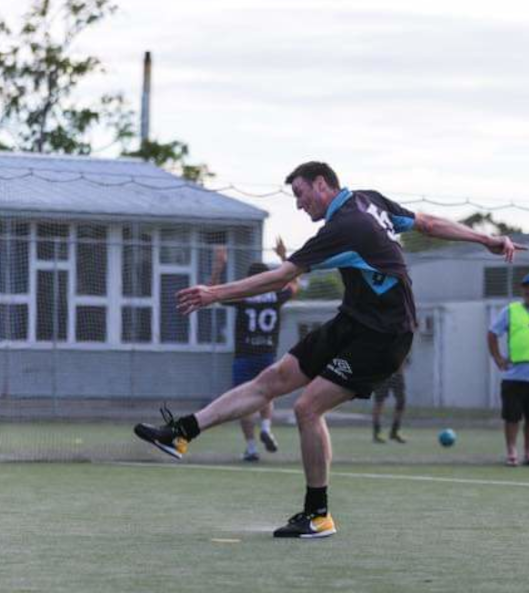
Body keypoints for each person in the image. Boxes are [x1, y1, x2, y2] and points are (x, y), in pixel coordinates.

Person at [135, 161, 522, 538]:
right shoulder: (370, 201)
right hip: (353, 320)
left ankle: (318, 516)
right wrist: (485, 239)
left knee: (307, 407)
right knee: (271, 380)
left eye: (301, 194)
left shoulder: (346, 227)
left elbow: (283, 276)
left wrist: (214, 293)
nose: (300, 205)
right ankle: (182, 432)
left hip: (385, 334)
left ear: (322, 184)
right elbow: (429, 224)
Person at [210, 239, 298, 462]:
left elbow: (213, 293)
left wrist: (219, 266)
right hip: (267, 353)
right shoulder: (276, 297)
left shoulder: (242, 296)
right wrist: (283, 257)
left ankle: (251, 448)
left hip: (244, 356)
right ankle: (267, 427)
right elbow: (294, 286)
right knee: (266, 393)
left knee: (244, 401)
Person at [487, 273, 529, 466]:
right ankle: (512, 451)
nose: (528, 290)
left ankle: (528, 453)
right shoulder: (511, 311)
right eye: (526, 286)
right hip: (515, 376)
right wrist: (497, 358)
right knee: (512, 416)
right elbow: (493, 333)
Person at [372, 367, 407, 444]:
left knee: (401, 402)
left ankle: (394, 432)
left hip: (397, 374)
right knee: (379, 402)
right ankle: (377, 432)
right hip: (382, 373)